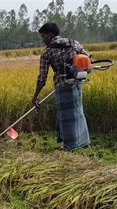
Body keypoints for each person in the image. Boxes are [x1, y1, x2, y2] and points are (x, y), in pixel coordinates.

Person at [31, 22, 91, 151]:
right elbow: (88, 59)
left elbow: (42, 79)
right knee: (78, 112)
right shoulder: (73, 43)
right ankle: (83, 142)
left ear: (50, 34)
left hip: (62, 87)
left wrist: (35, 97)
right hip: (77, 83)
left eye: (43, 36)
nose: (43, 40)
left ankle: (69, 146)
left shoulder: (47, 52)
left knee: (66, 117)